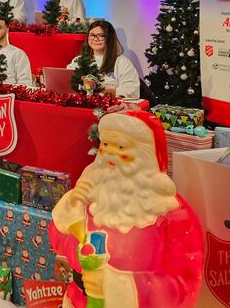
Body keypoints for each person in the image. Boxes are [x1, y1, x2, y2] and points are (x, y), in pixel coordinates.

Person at [50, 111, 204, 307]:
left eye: (121, 146)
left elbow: (184, 284)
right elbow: (58, 241)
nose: (109, 153)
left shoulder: (172, 215)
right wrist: (72, 205)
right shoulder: (91, 194)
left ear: (145, 155)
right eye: (105, 144)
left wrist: (110, 285)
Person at [67, 20, 140, 98]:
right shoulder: (78, 61)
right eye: (92, 35)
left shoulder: (122, 62)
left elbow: (131, 91)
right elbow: (66, 82)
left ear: (109, 39)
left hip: (111, 104)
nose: (95, 39)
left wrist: (101, 89)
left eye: (101, 35)